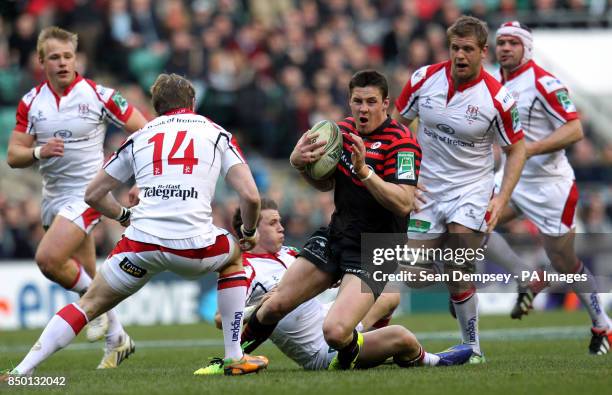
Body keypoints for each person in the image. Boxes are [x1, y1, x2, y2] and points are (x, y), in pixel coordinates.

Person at [3, 73, 267, 378]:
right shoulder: (216, 133)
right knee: (233, 257)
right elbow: (250, 196)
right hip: (196, 247)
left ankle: (22, 371)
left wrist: (123, 216)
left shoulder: (139, 137)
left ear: (156, 108)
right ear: (192, 103)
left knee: (88, 305)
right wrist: (248, 232)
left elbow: (92, 194)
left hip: (140, 247)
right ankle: (234, 356)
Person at [240, 69, 422, 370]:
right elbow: (325, 184)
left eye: (371, 101)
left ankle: (361, 352)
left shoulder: (402, 142)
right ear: (349, 101)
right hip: (337, 234)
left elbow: (404, 203)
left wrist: (366, 173)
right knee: (274, 305)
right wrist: (300, 165)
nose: (363, 108)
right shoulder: (340, 132)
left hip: (375, 248)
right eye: (357, 101)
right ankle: (232, 359)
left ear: (385, 103)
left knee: (335, 332)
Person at [197, 199, 472, 374]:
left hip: (328, 318)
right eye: (272, 223)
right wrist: (261, 305)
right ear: (252, 231)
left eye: (280, 221)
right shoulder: (247, 268)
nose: (281, 227)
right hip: (320, 351)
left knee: (388, 293)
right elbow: (222, 319)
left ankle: (367, 346)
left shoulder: (290, 254)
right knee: (401, 335)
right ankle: (430, 360)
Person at [6, 26, 147, 364]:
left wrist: (141, 178)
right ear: (41, 61)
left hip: (88, 195)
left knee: (48, 260)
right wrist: (39, 152)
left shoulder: (100, 96)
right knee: (86, 272)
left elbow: (147, 130)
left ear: (77, 58)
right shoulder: (31, 102)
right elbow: (14, 154)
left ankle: (95, 313)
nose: (63, 63)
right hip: (52, 198)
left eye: (68, 56)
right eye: (55, 57)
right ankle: (117, 336)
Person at [392, 15, 526, 363]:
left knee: (457, 258)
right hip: (426, 190)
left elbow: (517, 150)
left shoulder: (499, 99)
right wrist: (405, 174)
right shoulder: (423, 79)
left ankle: (474, 348)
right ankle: (455, 280)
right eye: (455, 48)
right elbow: (397, 127)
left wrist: (501, 198)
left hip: (471, 189)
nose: (460, 55)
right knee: (411, 273)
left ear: (484, 52)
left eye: (468, 49)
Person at [486, 21, 611, 354]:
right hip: (512, 176)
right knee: (473, 223)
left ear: (526, 48)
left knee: (565, 263)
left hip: (550, 186)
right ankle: (525, 275)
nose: (506, 48)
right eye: (501, 43)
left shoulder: (544, 82)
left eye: (513, 43)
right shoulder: (494, 81)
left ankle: (602, 324)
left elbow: (575, 129)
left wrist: (530, 148)